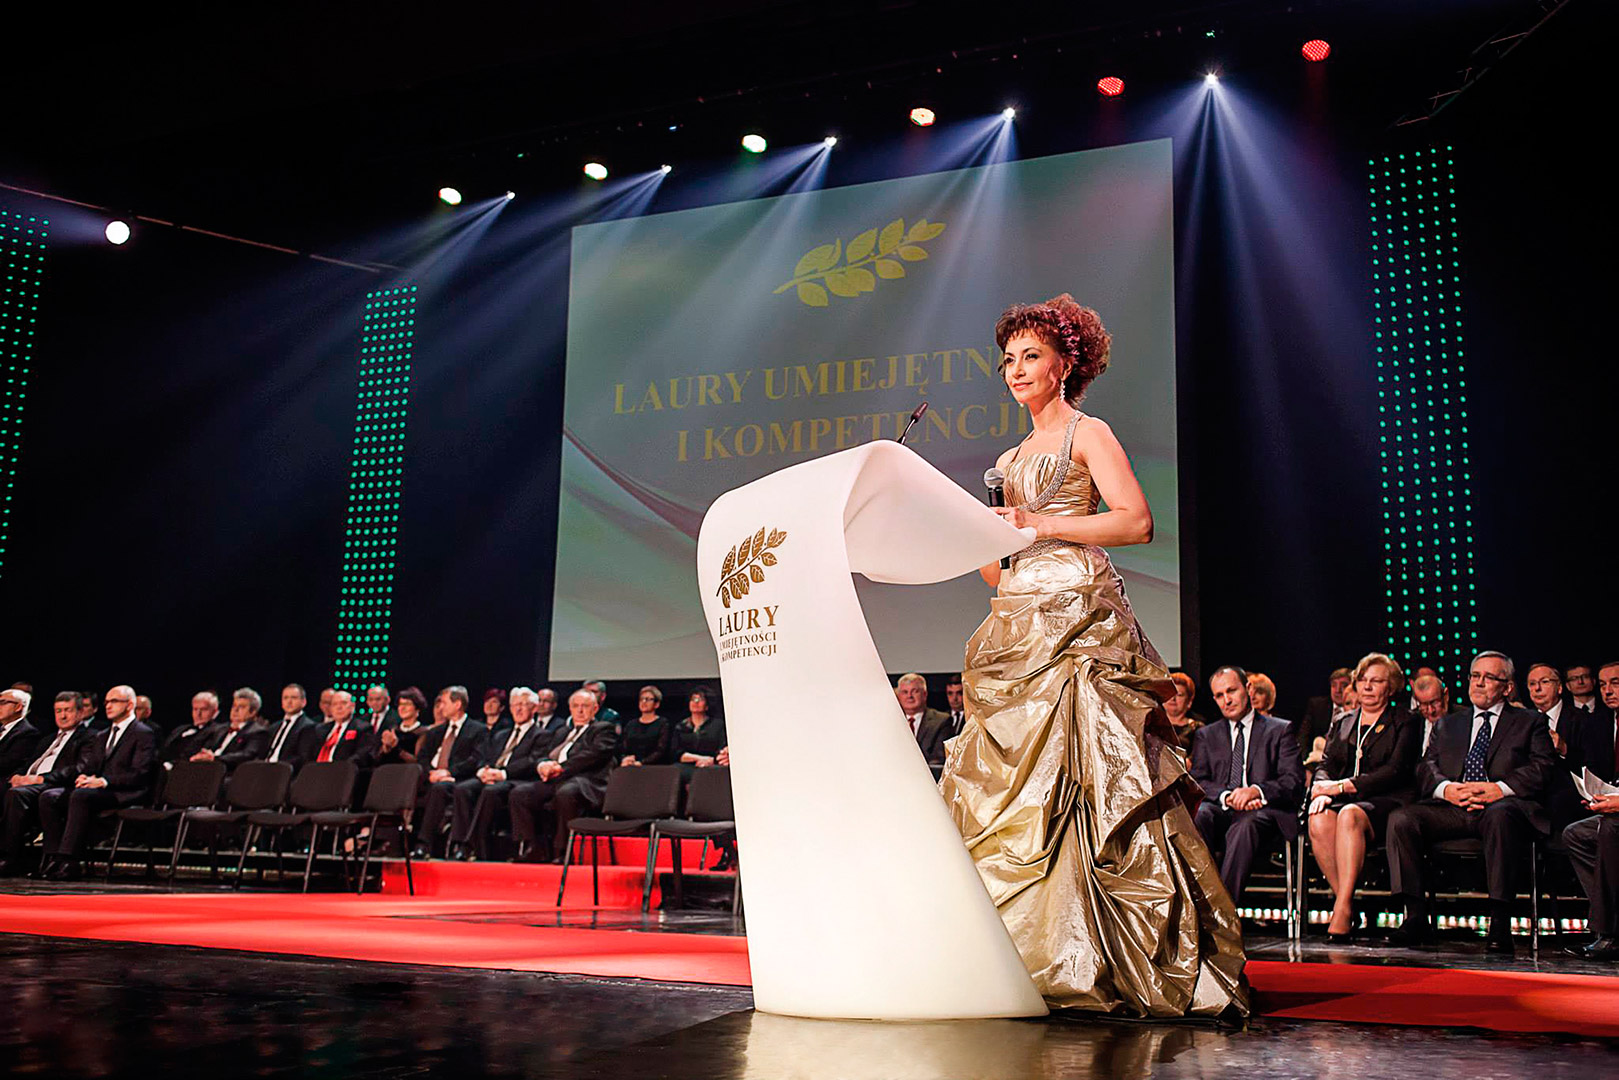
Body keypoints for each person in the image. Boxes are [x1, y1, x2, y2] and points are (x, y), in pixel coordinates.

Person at [940, 294, 1247, 1018]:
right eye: (1008, 360)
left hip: (1080, 623)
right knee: (1016, 794)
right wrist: (979, 538)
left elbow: (1135, 522)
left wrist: (1037, 523)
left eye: (1031, 356)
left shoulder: (1088, 432)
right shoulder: (1007, 460)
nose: (1017, 370)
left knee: (1098, 780)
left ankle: (1116, 954)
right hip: (1017, 627)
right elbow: (998, 573)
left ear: (1064, 365)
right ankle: (1027, 954)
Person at [1385, 650, 1559, 954]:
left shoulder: (1530, 722)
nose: (1479, 683)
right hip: (1454, 806)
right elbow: (1426, 767)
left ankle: (1500, 921)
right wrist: (1447, 789)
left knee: (1500, 816)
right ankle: (1414, 916)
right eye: (1475, 676)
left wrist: (1499, 789)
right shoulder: (1449, 724)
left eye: (1489, 677)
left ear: (1507, 687)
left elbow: (1543, 767)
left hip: (1503, 807)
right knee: (1402, 819)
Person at [1306, 653, 1420, 941]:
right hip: (1344, 797)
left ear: (1390, 687)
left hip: (1386, 800)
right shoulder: (1343, 720)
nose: (1367, 687)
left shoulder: (1405, 721)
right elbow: (1325, 764)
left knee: (1349, 815)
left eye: (1376, 681)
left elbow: (1395, 771)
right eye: (1363, 680)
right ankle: (1345, 903)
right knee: (1318, 818)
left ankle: (1342, 909)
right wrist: (1321, 789)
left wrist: (1342, 787)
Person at [1190, 667, 1304, 908]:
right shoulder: (1206, 735)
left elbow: (1292, 781)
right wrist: (1227, 796)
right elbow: (1198, 780)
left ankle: (1224, 911)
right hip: (1223, 808)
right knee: (1199, 816)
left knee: (1246, 824)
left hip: (1264, 813)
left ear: (1248, 689)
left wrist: (1255, 791)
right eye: (1219, 695)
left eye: (1231, 691)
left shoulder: (1279, 730)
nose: (1227, 700)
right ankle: (1198, 904)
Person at [38, 685, 157, 880]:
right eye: (107, 702)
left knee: (81, 796)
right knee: (49, 797)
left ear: (129, 705)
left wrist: (103, 781)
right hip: (99, 790)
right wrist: (85, 777)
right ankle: (52, 857)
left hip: (127, 791)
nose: (108, 706)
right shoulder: (102, 735)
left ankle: (69, 860)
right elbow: (91, 766)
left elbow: (140, 773)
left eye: (114, 701)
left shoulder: (143, 733)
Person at [509, 688, 618, 862]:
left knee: (566, 793)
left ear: (595, 709)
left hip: (585, 781)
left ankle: (564, 851)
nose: (580, 710)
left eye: (585, 706)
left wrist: (561, 768)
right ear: (570, 708)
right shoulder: (562, 732)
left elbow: (591, 756)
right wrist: (543, 765)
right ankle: (532, 847)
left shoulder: (603, 729)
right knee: (520, 793)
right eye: (576, 706)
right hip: (556, 780)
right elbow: (544, 754)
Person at [451, 687, 552, 860]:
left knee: (491, 791)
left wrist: (503, 774)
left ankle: (470, 845)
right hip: (493, 776)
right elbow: (484, 756)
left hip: (517, 780)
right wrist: (483, 770)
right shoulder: (501, 735)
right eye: (515, 705)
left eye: (524, 704)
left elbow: (532, 762)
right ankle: (458, 842)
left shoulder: (542, 735)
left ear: (534, 708)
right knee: (462, 789)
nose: (518, 709)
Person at [1, 692, 95, 875]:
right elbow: (29, 764)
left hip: (56, 785)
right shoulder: (48, 739)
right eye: (58, 711)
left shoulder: (88, 737)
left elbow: (80, 768)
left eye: (67, 710)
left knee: (17, 795)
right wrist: (18, 776)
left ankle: (9, 857)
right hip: (32, 783)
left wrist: (43, 778)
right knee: (7, 787)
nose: (62, 716)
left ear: (80, 712)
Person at [1562, 660, 1619, 960]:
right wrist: (1597, 796)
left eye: (1616, 683)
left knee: (1609, 827)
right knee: (1576, 834)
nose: (1608, 691)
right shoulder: (1602, 723)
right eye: (1604, 684)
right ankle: (1611, 917)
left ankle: (1608, 933)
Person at [412, 687, 488, 859]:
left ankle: (430, 843)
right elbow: (423, 757)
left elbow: (476, 759)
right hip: (433, 778)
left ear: (458, 704)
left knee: (441, 789)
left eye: (444, 703)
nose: (440, 708)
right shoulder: (436, 732)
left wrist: (448, 772)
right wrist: (431, 773)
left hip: (459, 778)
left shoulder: (478, 730)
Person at [190, 687, 270, 771]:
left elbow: (246, 755)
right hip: (208, 769)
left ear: (253, 712)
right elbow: (206, 747)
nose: (235, 710)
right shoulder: (220, 729)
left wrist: (215, 758)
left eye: (241, 707)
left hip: (230, 772)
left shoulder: (258, 732)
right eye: (234, 706)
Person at [265, 683, 322, 771]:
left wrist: (277, 767)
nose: (289, 701)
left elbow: (302, 758)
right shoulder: (273, 727)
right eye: (285, 698)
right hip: (265, 769)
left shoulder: (309, 727)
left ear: (303, 702)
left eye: (294, 698)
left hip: (286, 772)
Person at [896, 673, 950, 767]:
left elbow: (938, 759)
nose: (909, 696)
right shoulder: (891, 722)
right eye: (905, 692)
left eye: (915, 691)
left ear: (925, 694)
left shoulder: (941, 721)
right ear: (899, 696)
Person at [673, 687, 726, 773]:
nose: (696, 702)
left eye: (700, 699)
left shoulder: (718, 725)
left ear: (707, 705)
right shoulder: (680, 726)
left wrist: (711, 760)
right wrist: (701, 758)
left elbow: (721, 749)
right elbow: (676, 753)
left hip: (712, 767)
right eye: (693, 699)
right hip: (685, 767)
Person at [1301, 668, 1353, 755]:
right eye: (1334, 685)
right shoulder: (1317, 706)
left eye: (1344, 685)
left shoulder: (1357, 709)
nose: (1338, 690)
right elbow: (1303, 737)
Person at [618, 685, 673, 766]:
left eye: (647, 699)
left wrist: (642, 762)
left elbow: (661, 751)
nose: (644, 702)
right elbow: (623, 748)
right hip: (631, 766)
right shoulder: (631, 724)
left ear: (656, 704)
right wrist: (625, 759)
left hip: (654, 767)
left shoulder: (663, 724)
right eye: (641, 699)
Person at [376, 686, 430, 765]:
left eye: (407, 704)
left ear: (417, 708)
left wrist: (396, 747)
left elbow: (418, 762)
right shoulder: (392, 730)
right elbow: (377, 759)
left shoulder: (423, 732)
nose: (402, 708)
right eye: (400, 704)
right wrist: (385, 748)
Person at [0, 690, 39, 786]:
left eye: (3, 702)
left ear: (18, 707)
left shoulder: (28, 733)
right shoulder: (2, 729)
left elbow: (8, 764)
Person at [1163, 671, 1204, 750]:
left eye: (1179, 695)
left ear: (1189, 701)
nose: (1173, 698)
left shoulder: (1198, 729)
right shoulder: (1152, 726)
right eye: (1169, 693)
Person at [1410, 674, 1450, 754]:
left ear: (1446, 695)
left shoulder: (1462, 719)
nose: (1431, 710)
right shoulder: (1412, 721)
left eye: (1434, 702)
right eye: (1424, 704)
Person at [943, 675, 967, 742]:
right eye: (950, 693)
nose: (954, 698)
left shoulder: (972, 718)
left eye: (959, 693)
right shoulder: (941, 718)